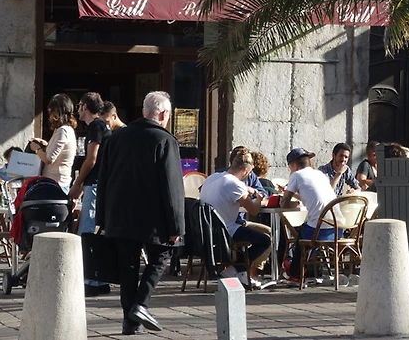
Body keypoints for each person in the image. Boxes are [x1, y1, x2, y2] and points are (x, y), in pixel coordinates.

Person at [96, 91, 185, 336]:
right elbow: (172, 187)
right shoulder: (164, 140)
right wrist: (177, 226)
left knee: (128, 268)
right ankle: (141, 304)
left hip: (119, 215)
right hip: (152, 218)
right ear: (164, 114)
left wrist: (101, 218)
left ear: (144, 111)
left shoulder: (117, 138)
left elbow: (103, 180)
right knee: (161, 256)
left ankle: (130, 322)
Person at [198, 149, 273, 289]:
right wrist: (259, 199)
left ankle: (239, 272)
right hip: (224, 231)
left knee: (250, 233)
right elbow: (254, 210)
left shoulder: (213, 177)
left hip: (204, 230)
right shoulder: (234, 184)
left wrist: (248, 190)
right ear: (245, 171)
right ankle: (237, 270)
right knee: (264, 240)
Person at [71, 92, 112, 297]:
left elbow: (91, 159)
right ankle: (99, 279)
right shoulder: (104, 125)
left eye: (79, 105)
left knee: (86, 233)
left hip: (95, 185)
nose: (77, 110)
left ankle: (90, 280)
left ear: (85, 106)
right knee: (95, 233)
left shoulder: (95, 126)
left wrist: (77, 183)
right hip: (100, 184)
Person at [281, 147, 338, 282]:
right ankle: (300, 268)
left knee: (301, 236)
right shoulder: (320, 174)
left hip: (319, 230)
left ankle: (295, 273)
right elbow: (312, 196)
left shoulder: (296, 175)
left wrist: (294, 204)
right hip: (337, 228)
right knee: (306, 229)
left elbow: (284, 204)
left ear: (294, 165)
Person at [41, 93, 78, 193]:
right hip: (56, 182)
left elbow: (49, 159)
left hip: (56, 184)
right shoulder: (64, 130)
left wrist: (37, 149)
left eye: (51, 110)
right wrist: (45, 144)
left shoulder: (63, 131)